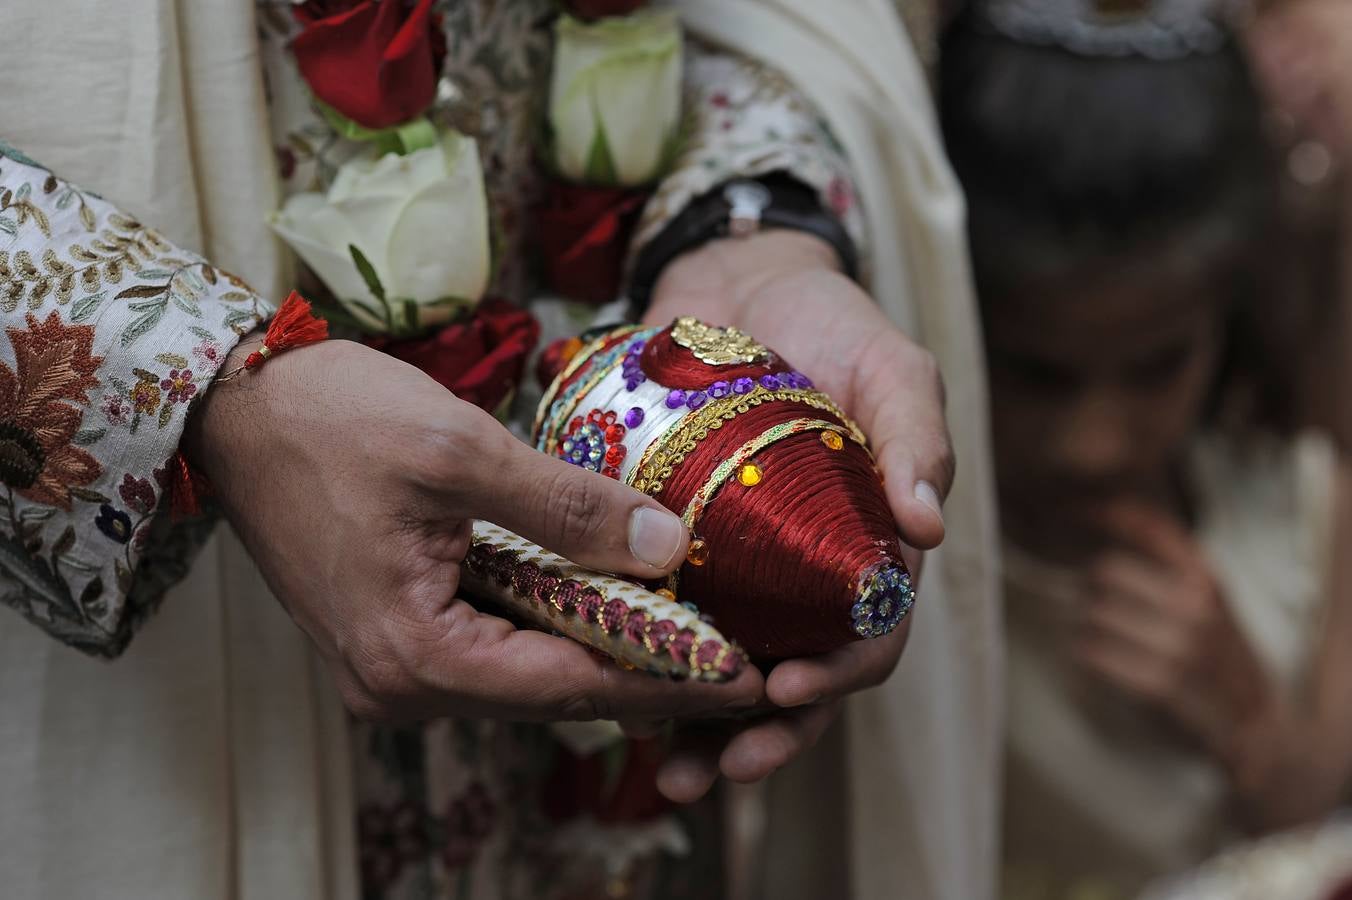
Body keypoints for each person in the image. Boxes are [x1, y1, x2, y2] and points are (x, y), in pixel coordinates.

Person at [0, 1, 1000, 899]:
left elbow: (760, 21)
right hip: (185, 630)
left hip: (619, 500)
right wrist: (203, 391)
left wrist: (747, 222)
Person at [940, 0, 1352, 897]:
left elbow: (1316, 821)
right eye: (1036, 376)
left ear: (1224, 316)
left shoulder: (1310, 507)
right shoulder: (897, 554)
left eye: (1159, 367)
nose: (1095, 445)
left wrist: (1250, 725)